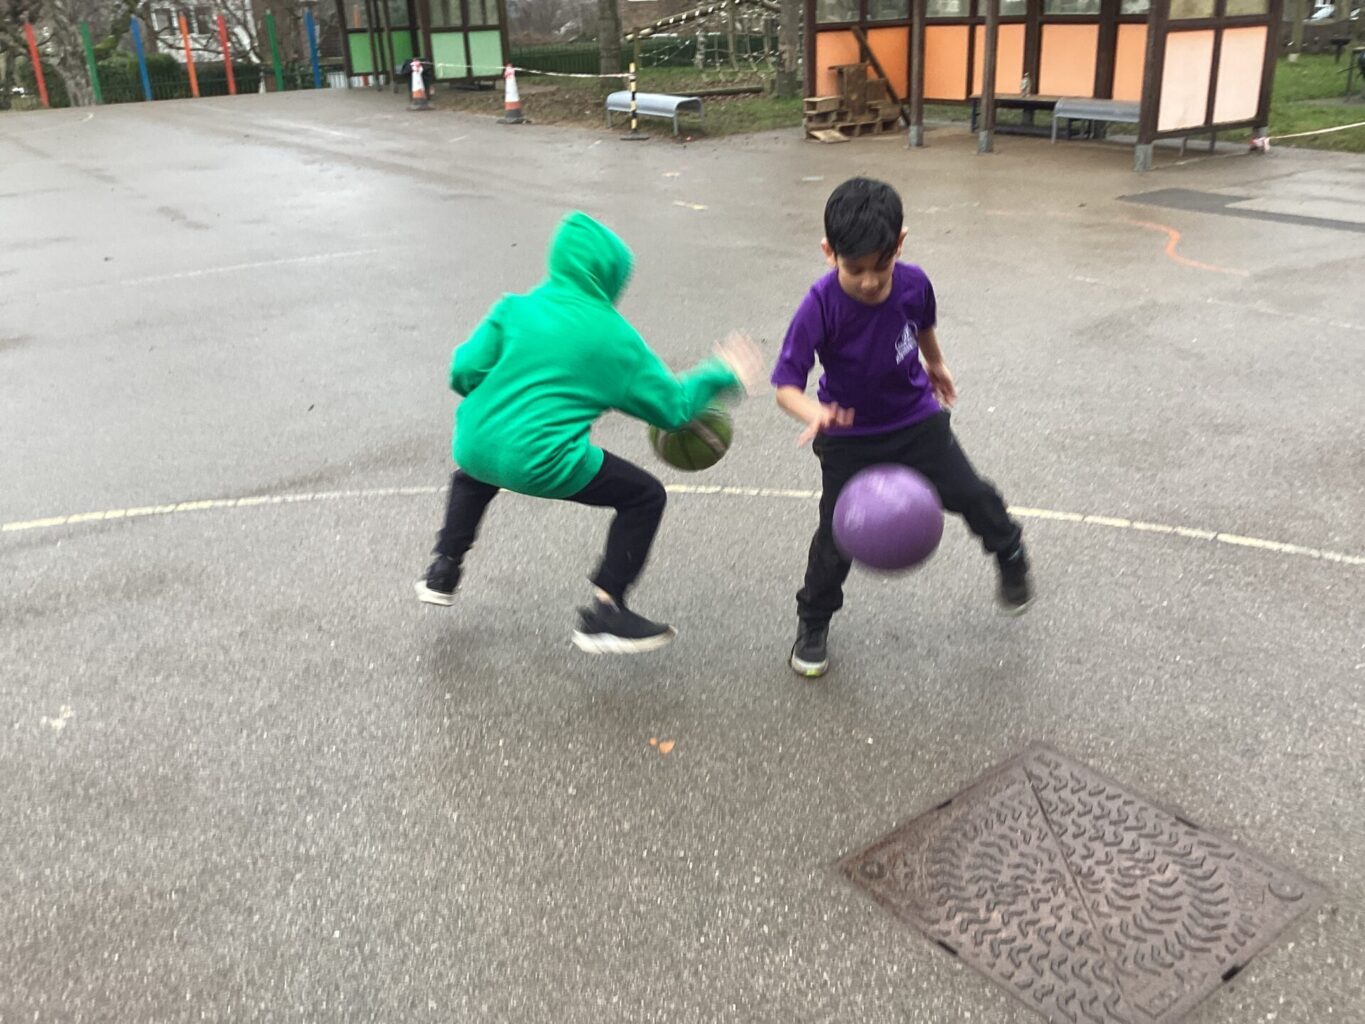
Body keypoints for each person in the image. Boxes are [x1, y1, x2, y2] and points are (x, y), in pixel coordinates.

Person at [416, 211, 760, 654]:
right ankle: (606, 611)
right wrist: (721, 373)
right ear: (610, 276)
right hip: (542, 460)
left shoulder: (515, 307)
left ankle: (443, 569)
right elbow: (673, 409)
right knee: (644, 496)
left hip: (474, 442)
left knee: (476, 473)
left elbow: (462, 371)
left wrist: (498, 405)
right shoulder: (612, 337)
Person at [771, 177, 1031, 678]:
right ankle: (813, 622)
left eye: (881, 266)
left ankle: (1010, 550)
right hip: (848, 437)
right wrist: (812, 413)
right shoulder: (820, 304)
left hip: (914, 419)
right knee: (836, 537)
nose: (870, 281)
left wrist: (936, 363)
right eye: (855, 269)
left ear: (900, 245)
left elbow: (923, 323)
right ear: (829, 253)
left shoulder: (914, 283)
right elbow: (785, 385)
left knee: (970, 493)